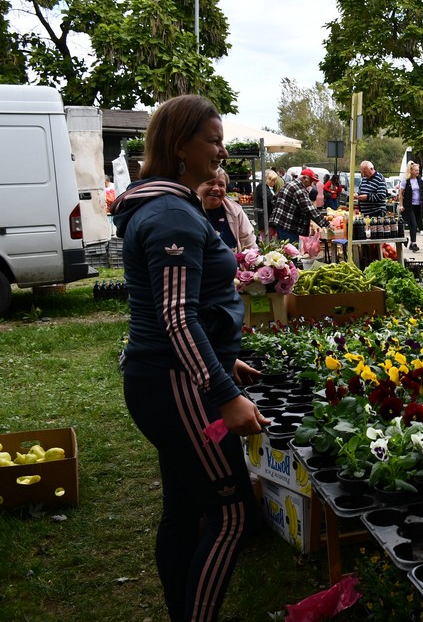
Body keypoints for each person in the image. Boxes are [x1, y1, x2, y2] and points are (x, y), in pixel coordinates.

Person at [109, 94, 270, 622]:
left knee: (183, 507)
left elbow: (191, 306)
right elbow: (177, 318)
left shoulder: (167, 204)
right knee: (232, 516)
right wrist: (224, 395)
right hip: (176, 385)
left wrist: (225, 358)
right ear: (180, 146)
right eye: (213, 141)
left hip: (171, 378)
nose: (222, 151)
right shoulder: (172, 215)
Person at [196, 167, 257, 252]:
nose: (216, 188)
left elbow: (251, 249)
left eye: (221, 185)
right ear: (197, 186)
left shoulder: (236, 212)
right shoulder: (187, 211)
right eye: (210, 183)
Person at [270, 166, 330, 244]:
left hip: (281, 224)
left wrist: (284, 210)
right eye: (311, 181)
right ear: (304, 178)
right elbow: (309, 210)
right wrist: (326, 224)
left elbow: (274, 199)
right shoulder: (299, 189)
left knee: (285, 248)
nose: (311, 184)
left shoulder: (289, 184)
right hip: (289, 227)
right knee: (291, 249)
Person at [400, 162, 423, 252]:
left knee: (417, 222)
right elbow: (401, 194)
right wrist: (401, 205)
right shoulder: (406, 181)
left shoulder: (421, 180)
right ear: (411, 171)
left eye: (418, 170)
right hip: (409, 205)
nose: (418, 172)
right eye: (416, 170)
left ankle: (411, 242)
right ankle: (414, 243)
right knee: (413, 223)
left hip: (419, 205)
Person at [253, 169, 278, 234]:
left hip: (267, 218)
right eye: (272, 180)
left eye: (275, 180)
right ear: (267, 179)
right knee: (266, 236)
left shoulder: (267, 187)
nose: (274, 182)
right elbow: (270, 198)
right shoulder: (262, 186)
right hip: (264, 218)